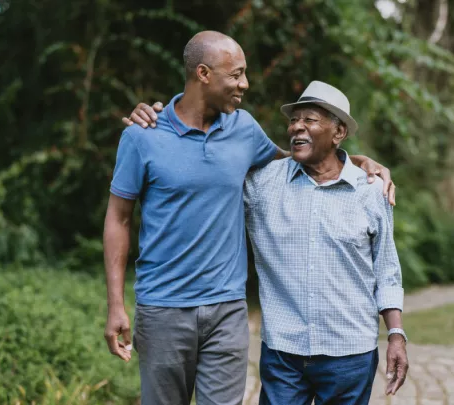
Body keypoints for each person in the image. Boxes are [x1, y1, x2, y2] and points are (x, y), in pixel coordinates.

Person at [103, 31, 396, 405]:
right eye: (236, 74)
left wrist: (355, 163)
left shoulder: (243, 128)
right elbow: (118, 219)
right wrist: (115, 304)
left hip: (227, 309)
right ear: (204, 74)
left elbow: (298, 162)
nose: (245, 83)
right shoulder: (143, 136)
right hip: (162, 309)